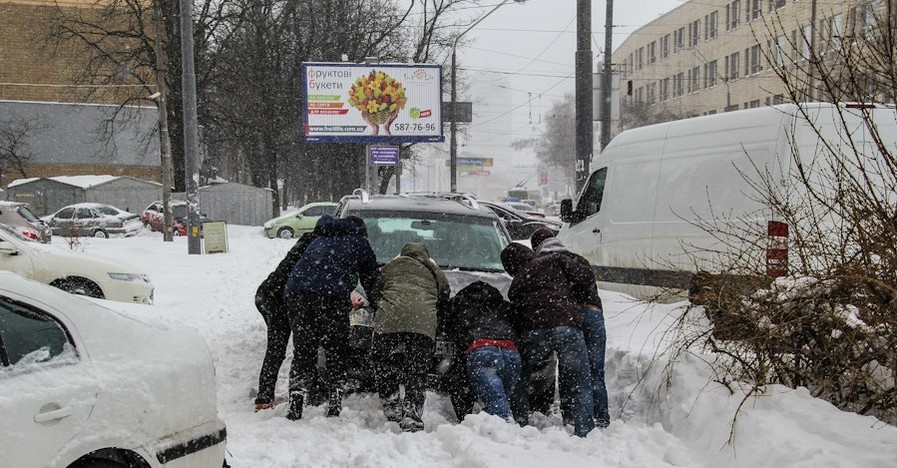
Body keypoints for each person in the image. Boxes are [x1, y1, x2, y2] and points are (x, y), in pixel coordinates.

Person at [283, 214, 381, 420]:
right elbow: (371, 279)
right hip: (330, 297)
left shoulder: (321, 238)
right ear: (362, 232)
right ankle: (334, 402)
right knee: (336, 347)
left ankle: (296, 403)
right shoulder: (359, 243)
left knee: (304, 348)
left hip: (297, 295)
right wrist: (379, 304)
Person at [501, 242, 596, 437]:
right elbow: (586, 277)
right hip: (566, 325)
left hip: (535, 331)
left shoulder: (518, 280)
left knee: (522, 375)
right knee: (580, 380)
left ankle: (519, 418)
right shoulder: (555, 260)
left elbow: (517, 314)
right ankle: (584, 429)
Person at [530, 228, 610, 428]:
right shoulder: (579, 260)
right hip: (594, 313)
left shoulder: (543, 264)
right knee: (595, 372)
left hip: (570, 317)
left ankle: (572, 417)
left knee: (569, 369)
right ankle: (601, 418)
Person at [370, 242, 450, 432]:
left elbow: (375, 292)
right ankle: (412, 413)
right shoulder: (434, 269)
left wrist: (384, 307)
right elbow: (444, 295)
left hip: (389, 320)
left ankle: (391, 405)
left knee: (384, 363)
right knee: (417, 369)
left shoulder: (391, 267)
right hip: (422, 324)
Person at [253, 229, 318, 412]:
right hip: (277, 300)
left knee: (277, 348)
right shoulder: (315, 251)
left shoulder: (306, 244)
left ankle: (264, 397)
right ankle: (264, 399)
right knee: (280, 348)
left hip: (267, 293)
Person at [447, 280, 521, 422]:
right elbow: (518, 323)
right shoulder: (503, 306)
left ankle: (487, 426)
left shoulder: (460, 304)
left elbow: (447, 322)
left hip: (483, 352)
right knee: (502, 398)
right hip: (511, 353)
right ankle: (493, 425)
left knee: (498, 404)